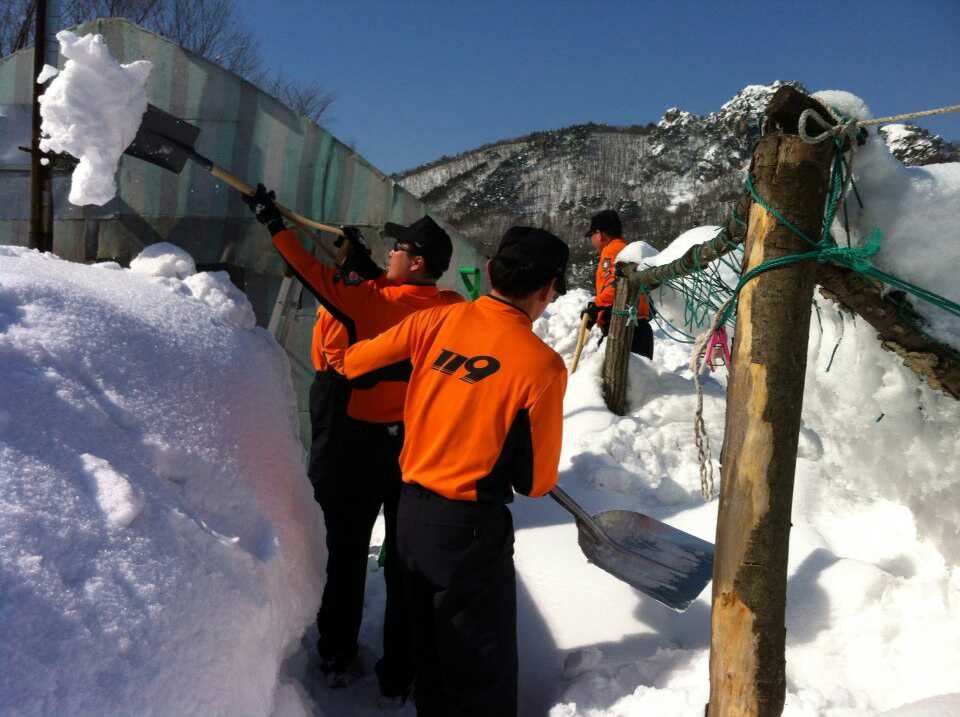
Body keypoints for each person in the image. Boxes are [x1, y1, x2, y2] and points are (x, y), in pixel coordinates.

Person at [243, 184, 463, 704]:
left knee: (343, 551)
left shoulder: (366, 300)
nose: (390, 254)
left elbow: (309, 270)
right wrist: (365, 272)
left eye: (399, 249)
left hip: (354, 447)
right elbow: (388, 297)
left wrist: (272, 222)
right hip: (415, 449)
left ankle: (337, 654)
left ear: (417, 262)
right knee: (406, 560)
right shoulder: (451, 308)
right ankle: (401, 671)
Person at [342, 226, 569, 717]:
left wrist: (428, 374)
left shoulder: (435, 320)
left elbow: (355, 363)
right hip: (468, 534)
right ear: (547, 290)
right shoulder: (542, 367)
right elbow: (536, 483)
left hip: (408, 518)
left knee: (429, 650)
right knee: (478, 670)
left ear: (489, 270)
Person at [581, 209, 654, 359]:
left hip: (623, 328)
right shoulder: (625, 249)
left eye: (592, 235)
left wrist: (597, 306)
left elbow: (617, 286)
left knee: (613, 372)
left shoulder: (612, 251)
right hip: (638, 327)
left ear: (600, 234)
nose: (591, 240)